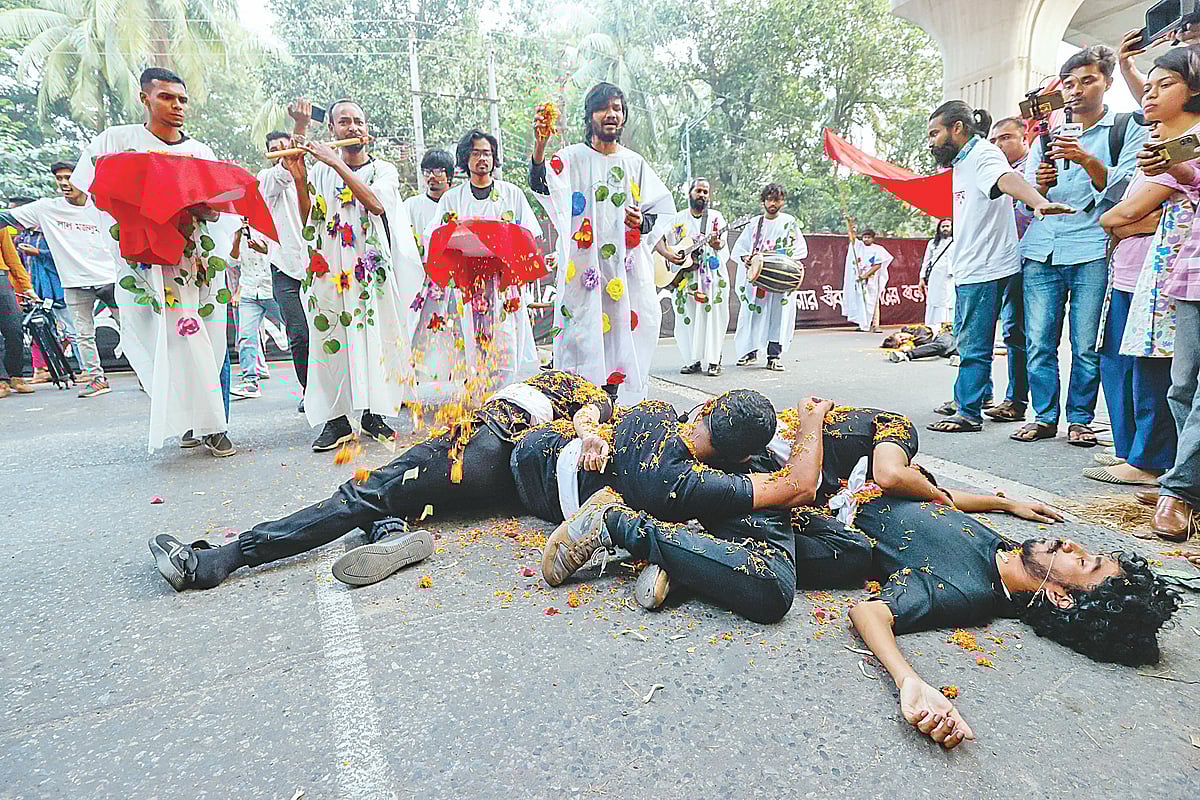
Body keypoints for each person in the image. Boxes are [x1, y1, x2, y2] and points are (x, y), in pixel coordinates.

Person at [147, 370, 614, 591]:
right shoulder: (561, 394)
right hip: (498, 481)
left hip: (485, 443)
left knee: (364, 493)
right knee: (396, 499)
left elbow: (591, 413)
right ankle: (392, 534)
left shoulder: (579, 390)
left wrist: (590, 431)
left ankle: (224, 558)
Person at [511, 390, 838, 623]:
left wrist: (588, 433)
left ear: (706, 409)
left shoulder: (654, 410)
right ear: (741, 459)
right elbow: (800, 486)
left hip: (549, 460)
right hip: (548, 481)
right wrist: (811, 417)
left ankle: (686, 559)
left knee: (850, 550)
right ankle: (618, 525)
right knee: (775, 587)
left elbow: (594, 408)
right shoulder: (687, 480)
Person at [69, 67, 234, 455]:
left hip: (196, 266)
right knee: (163, 346)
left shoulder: (200, 153)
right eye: (166, 97)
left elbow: (217, 213)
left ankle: (215, 425)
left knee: (208, 342)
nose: (176, 106)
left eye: (181, 99)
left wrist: (193, 207)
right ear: (145, 98)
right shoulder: (116, 141)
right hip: (145, 268)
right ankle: (187, 421)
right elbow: (86, 192)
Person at [1016, 46, 1150, 447]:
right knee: (1039, 340)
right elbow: (1028, 196)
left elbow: (1128, 190)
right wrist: (1039, 184)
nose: (1076, 90)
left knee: (1086, 341)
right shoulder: (1046, 135)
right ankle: (1043, 417)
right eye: (1069, 83)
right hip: (1041, 248)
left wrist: (1087, 160)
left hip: (1092, 247)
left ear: (1108, 83)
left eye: (1087, 80)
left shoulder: (1127, 128)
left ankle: (1080, 419)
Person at [926, 101, 1074, 435]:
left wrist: (1038, 201)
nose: (932, 141)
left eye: (936, 133)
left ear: (958, 129)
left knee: (974, 344)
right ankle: (985, 397)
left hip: (985, 266)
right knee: (988, 339)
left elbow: (1007, 178)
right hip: (974, 265)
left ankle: (968, 413)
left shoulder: (983, 154)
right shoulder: (962, 163)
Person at [285, 98, 423, 452]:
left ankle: (373, 415)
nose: (353, 128)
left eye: (358, 121)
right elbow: (309, 220)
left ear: (367, 130)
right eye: (344, 122)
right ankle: (336, 421)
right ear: (332, 130)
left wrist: (333, 161)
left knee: (376, 341)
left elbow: (375, 204)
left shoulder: (384, 170)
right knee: (329, 343)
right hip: (330, 272)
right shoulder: (320, 172)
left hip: (370, 273)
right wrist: (301, 180)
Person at [1091, 47, 1199, 489]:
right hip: (1164, 274)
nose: (1150, 95)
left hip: (1171, 273)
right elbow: (1109, 214)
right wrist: (1126, 221)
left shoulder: (1184, 147)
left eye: (1164, 84)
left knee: (1170, 376)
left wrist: (1128, 222)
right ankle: (1165, 469)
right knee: (1173, 381)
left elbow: (1123, 214)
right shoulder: (1158, 147)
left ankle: (1158, 466)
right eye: (1147, 86)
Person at [530, 83, 676, 403]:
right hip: (583, 275)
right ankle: (580, 412)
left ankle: (614, 411)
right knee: (581, 337)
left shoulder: (634, 163)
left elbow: (661, 210)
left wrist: (642, 223)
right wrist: (540, 148)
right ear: (590, 115)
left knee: (622, 339)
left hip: (625, 275)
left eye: (618, 108)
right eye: (603, 108)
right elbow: (543, 185)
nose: (611, 114)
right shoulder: (572, 158)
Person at [415, 130, 541, 392]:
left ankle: (504, 398)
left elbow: (529, 234)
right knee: (471, 341)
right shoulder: (452, 198)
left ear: (494, 158)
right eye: (475, 153)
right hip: (467, 283)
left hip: (503, 283)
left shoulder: (511, 193)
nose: (482, 158)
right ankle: (478, 401)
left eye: (487, 153)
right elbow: (433, 237)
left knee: (506, 338)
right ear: (465, 159)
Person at [1, 163, 121, 397]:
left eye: (70, 178)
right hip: (74, 283)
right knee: (82, 333)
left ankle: (147, 375)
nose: (65, 183)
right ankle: (96, 378)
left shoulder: (103, 207)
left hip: (109, 279)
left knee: (130, 329)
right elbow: (5, 217)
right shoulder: (47, 208)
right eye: (60, 179)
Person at [983, 117, 1033, 423]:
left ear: (1024, 138)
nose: (1000, 145)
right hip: (992, 260)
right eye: (995, 140)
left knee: (1018, 333)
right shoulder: (988, 171)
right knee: (980, 331)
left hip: (1027, 260)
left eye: (1007, 138)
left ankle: (1017, 401)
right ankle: (976, 393)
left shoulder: (1033, 168)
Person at [257, 131, 310, 413]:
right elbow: (282, 174)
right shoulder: (268, 179)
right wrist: (286, 162)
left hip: (319, 267)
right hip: (286, 269)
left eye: (286, 148)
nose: (283, 153)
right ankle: (309, 390)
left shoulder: (315, 176)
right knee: (300, 334)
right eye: (275, 150)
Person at [731, 183, 805, 371]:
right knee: (752, 313)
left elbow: (799, 249)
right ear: (763, 201)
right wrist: (747, 258)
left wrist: (785, 264)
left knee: (778, 316)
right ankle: (750, 352)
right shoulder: (754, 223)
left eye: (777, 199)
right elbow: (740, 248)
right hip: (758, 280)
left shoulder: (789, 222)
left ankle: (774, 356)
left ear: (782, 201)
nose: (773, 203)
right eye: (770, 199)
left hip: (778, 278)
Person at [9, 195, 81, 384]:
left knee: (70, 328)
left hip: (56, 287)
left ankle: (85, 368)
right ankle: (41, 369)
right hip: (34, 288)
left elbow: (64, 254)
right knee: (39, 330)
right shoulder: (23, 237)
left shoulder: (51, 232)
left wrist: (38, 253)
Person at [665, 177, 729, 376]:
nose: (702, 195)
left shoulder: (716, 218)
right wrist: (676, 256)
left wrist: (717, 243)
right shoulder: (678, 219)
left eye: (705, 192)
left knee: (713, 316)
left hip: (711, 277)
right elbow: (667, 244)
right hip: (686, 278)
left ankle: (713, 360)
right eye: (698, 191)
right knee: (688, 317)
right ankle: (693, 360)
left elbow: (722, 245)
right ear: (690, 193)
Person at [228, 220, 280, 399]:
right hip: (249, 290)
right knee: (245, 337)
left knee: (297, 332)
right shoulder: (237, 230)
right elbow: (232, 262)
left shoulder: (269, 224)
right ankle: (250, 382)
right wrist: (236, 239)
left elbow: (279, 254)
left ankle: (310, 382)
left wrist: (264, 248)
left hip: (271, 288)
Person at [0, 225, 35, 397]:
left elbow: (12, 258)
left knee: (14, 328)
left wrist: (27, 287)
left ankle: (16, 375)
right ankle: (1, 381)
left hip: (1, 278)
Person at [841, 227, 893, 334]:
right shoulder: (859, 247)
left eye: (868, 237)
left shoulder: (878, 249)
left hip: (872, 280)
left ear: (873, 238)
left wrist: (865, 275)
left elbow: (878, 265)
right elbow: (852, 239)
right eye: (864, 237)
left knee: (873, 302)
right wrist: (850, 226)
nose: (866, 239)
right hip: (860, 280)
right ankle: (863, 324)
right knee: (862, 301)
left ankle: (875, 325)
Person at [919, 218, 954, 329]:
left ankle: (948, 327)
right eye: (943, 226)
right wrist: (921, 278)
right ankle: (932, 327)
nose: (945, 229)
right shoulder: (932, 243)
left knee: (949, 302)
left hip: (951, 277)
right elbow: (926, 261)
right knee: (934, 301)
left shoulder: (957, 242)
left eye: (947, 226)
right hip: (935, 275)